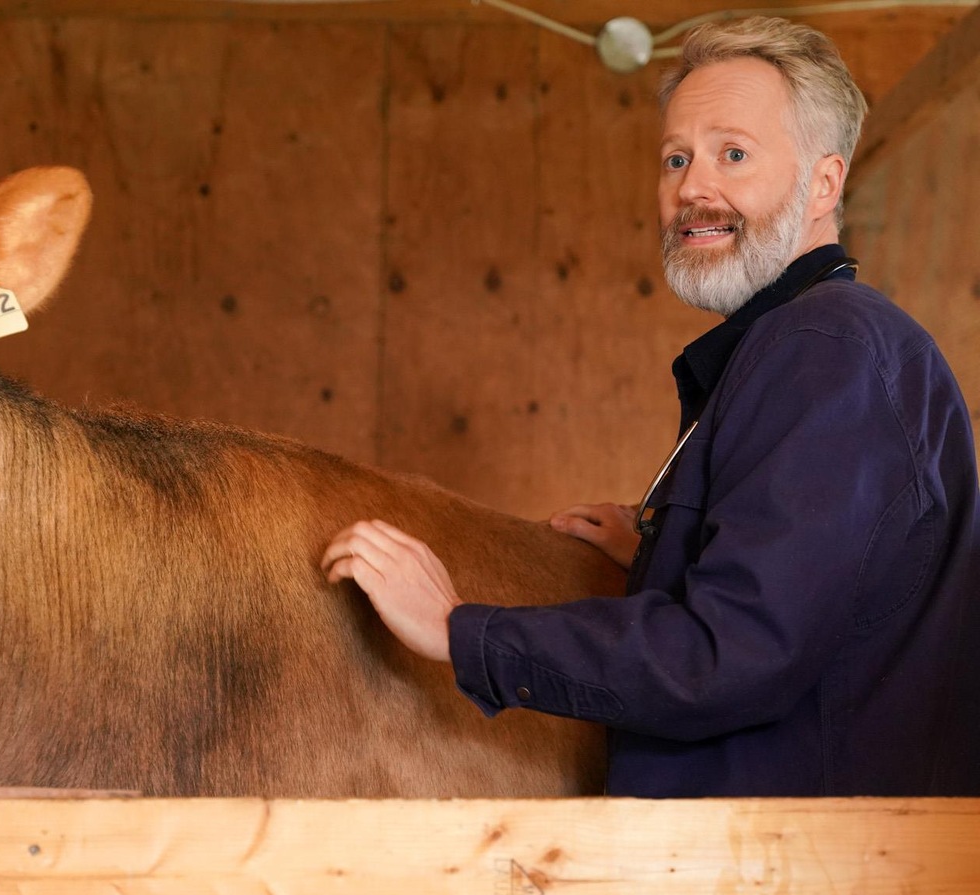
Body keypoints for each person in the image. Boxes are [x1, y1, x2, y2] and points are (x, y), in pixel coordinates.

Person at [322, 16, 980, 797]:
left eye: (733, 154)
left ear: (825, 183)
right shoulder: (798, 344)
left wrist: (460, 631)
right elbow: (825, 599)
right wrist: (673, 552)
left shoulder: (826, 348)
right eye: (676, 158)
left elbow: (728, 655)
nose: (692, 188)